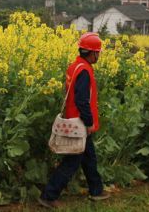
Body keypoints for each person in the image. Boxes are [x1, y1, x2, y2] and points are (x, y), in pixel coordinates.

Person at [38, 33, 110, 209]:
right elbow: (82, 100)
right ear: (92, 53)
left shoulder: (74, 66)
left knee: (89, 158)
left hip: (73, 119)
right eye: (97, 53)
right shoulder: (84, 71)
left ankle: (96, 190)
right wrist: (89, 122)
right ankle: (49, 195)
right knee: (72, 162)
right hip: (79, 124)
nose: (98, 56)